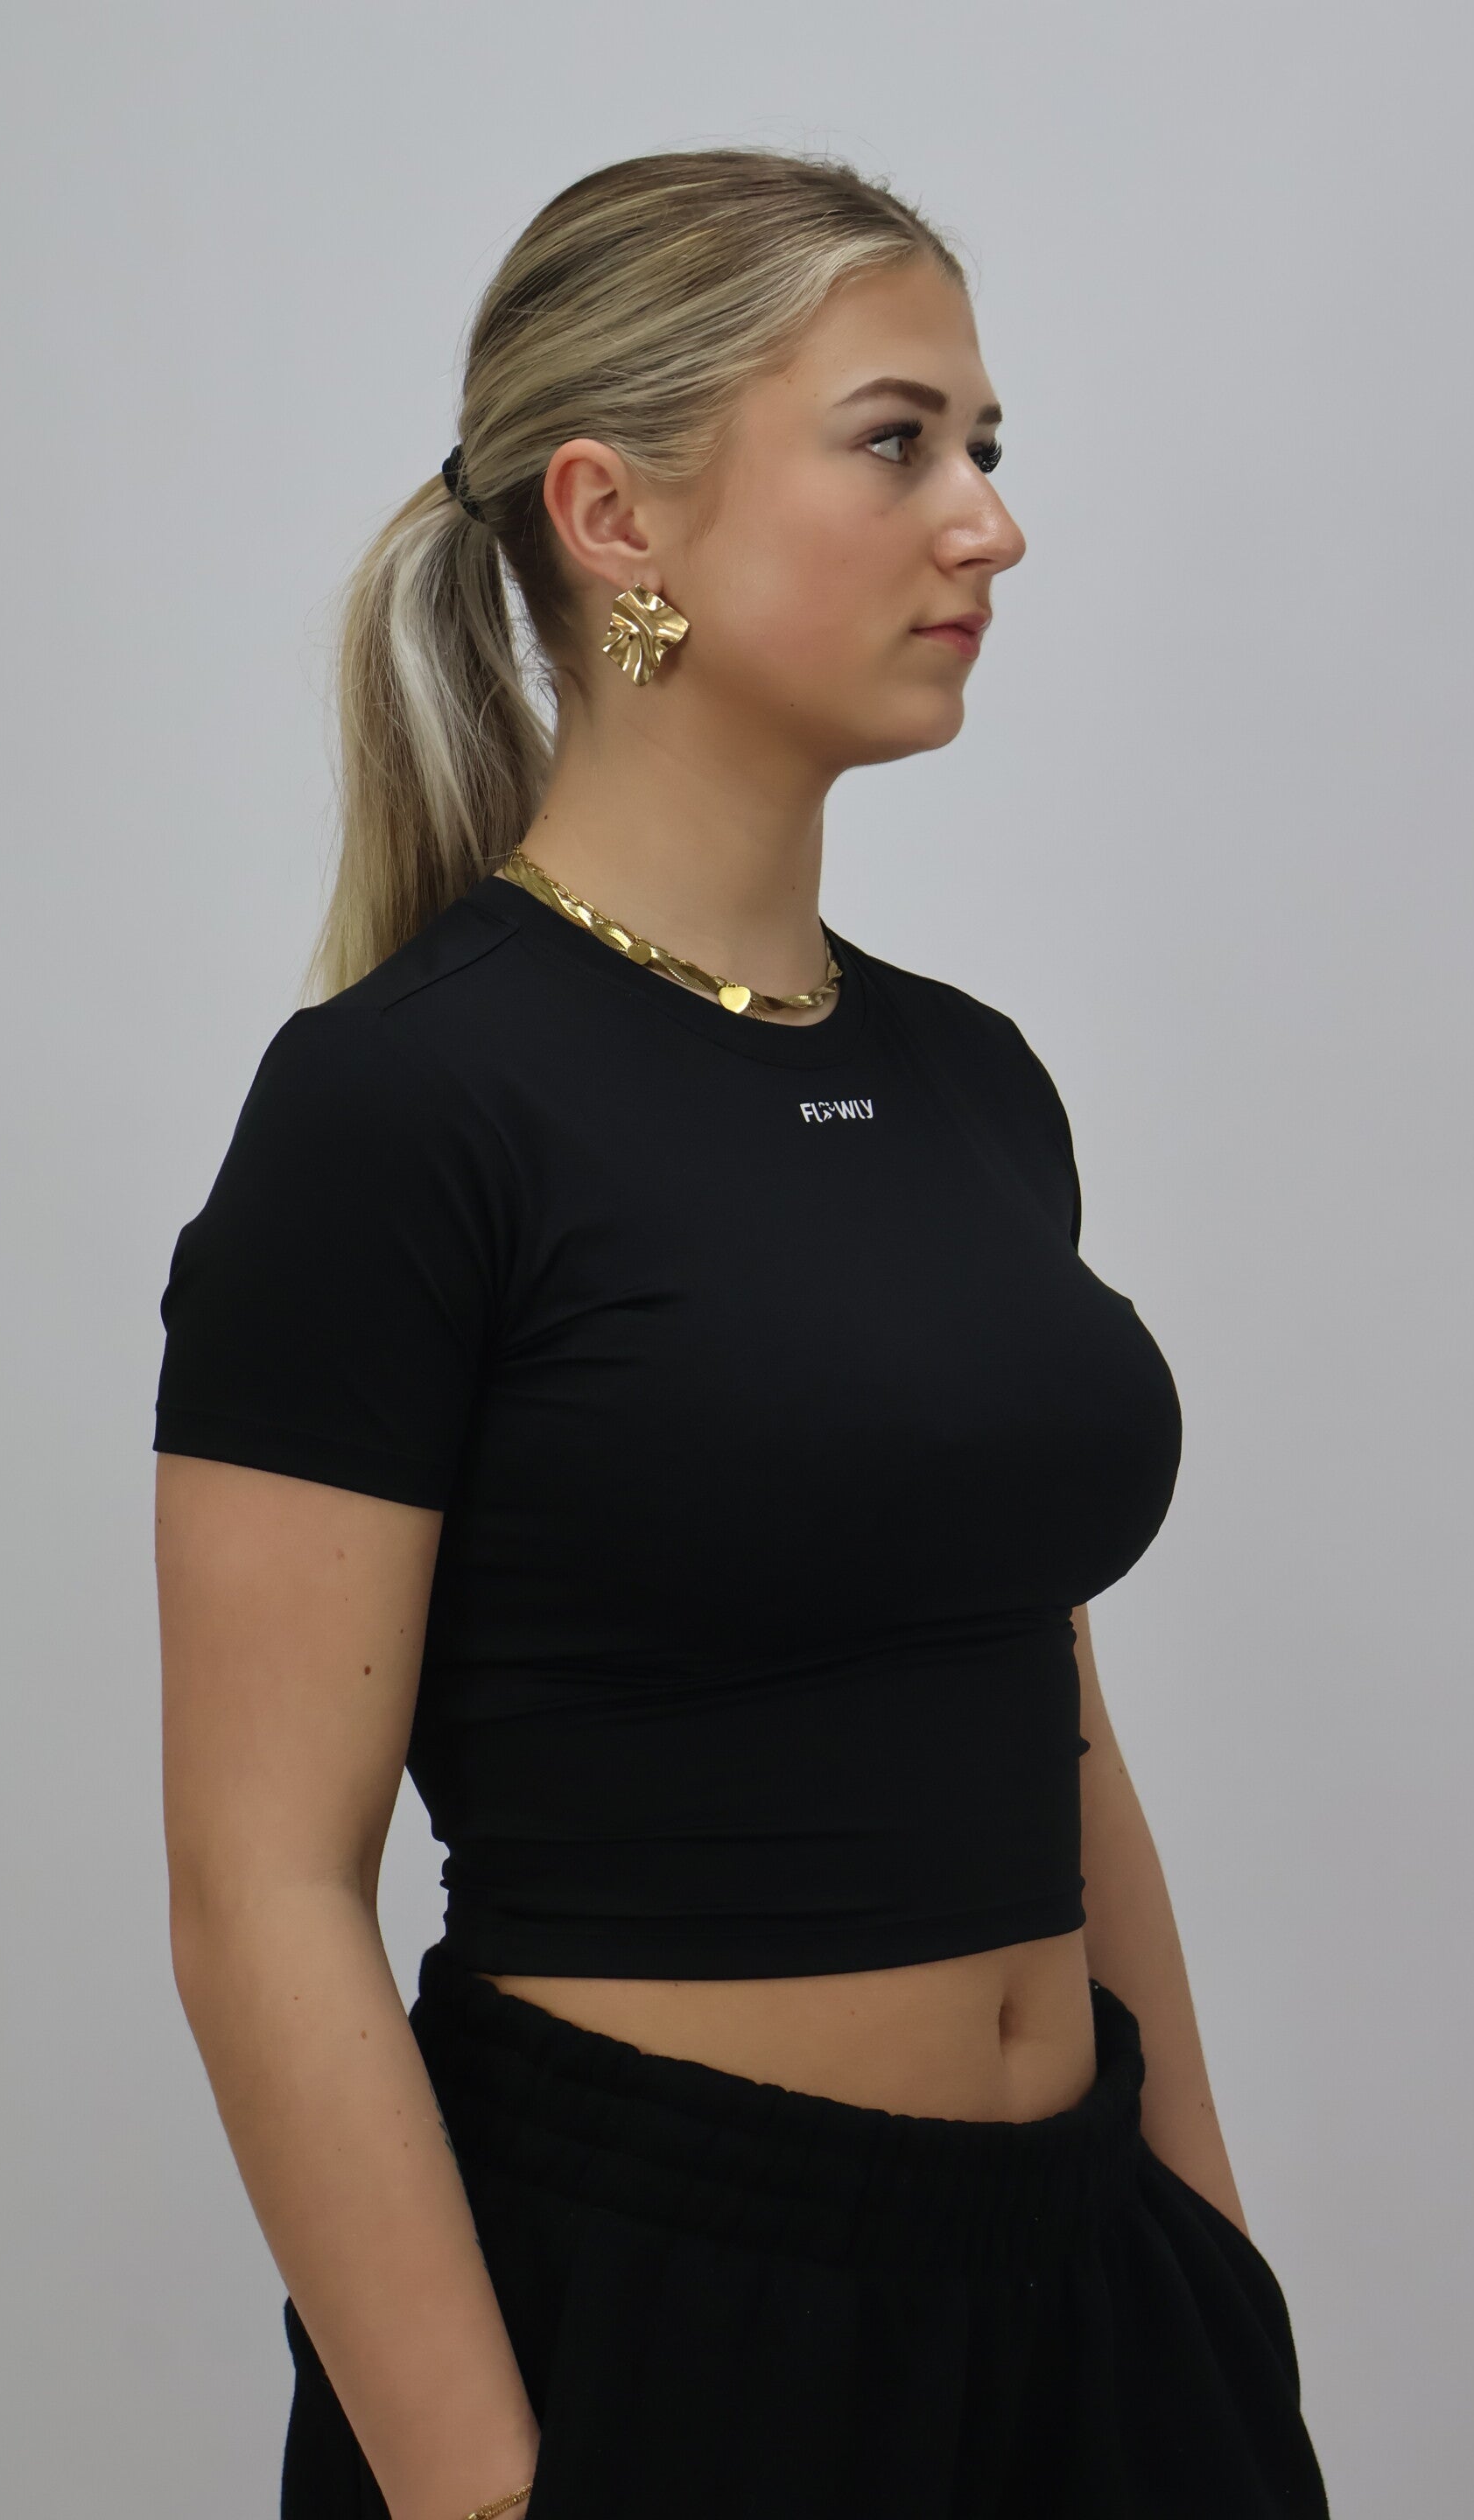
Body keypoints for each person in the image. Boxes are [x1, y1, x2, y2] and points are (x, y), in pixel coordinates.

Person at [153, 146, 1331, 2520]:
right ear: (618, 517)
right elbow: (260, 1888)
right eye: (898, 442)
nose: (989, 523)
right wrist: (486, 2493)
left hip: (1085, 2292)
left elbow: (1049, 1709)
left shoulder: (976, 1082)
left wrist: (1212, 2280)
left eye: (984, 447)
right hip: (662, 2318)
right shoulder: (402, 1109)